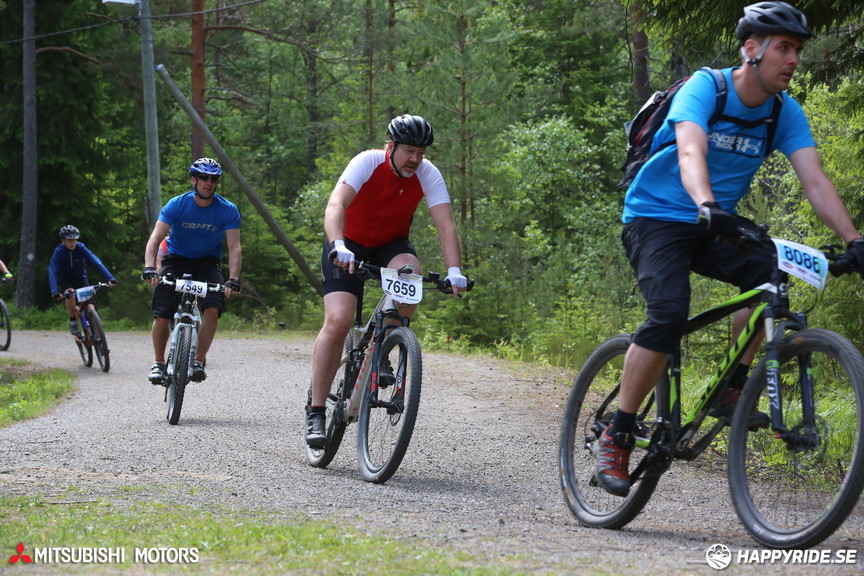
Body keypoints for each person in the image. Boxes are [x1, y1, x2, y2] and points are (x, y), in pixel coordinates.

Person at [595, 1, 864, 498]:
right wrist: (706, 203)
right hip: (656, 216)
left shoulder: (783, 111)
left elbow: (815, 180)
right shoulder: (707, 88)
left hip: (716, 222)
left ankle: (733, 386)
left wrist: (854, 240)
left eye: (798, 50)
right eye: (784, 48)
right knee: (669, 313)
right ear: (751, 48)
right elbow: (690, 150)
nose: (794, 59)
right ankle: (619, 431)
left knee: (771, 277)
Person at [305, 114, 469, 448]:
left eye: (420, 152)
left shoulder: (428, 173)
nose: (415, 159)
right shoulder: (367, 162)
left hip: (390, 246)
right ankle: (317, 410)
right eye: (409, 151)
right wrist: (338, 244)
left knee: (412, 275)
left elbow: (446, 225)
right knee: (339, 320)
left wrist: (454, 270)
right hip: (348, 245)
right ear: (390, 147)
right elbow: (336, 205)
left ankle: (383, 349)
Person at [141, 157, 242, 384]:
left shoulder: (227, 210)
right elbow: (155, 238)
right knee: (162, 313)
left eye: (213, 179)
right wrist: (150, 267)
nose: (209, 183)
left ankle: (198, 361)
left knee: (213, 309)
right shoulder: (177, 204)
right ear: (193, 180)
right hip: (176, 261)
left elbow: (234, 247)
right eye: (204, 178)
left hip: (207, 263)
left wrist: (233, 278)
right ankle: (158, 362)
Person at [48, 225, 117, 335]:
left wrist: (110, 278)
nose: (72, 243)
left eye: (74, 240)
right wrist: (54, 291)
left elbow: (96, 262)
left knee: (90, 306)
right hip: (65, 280)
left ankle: (98, 336)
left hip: (81, 279)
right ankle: (73, 321)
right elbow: (52, 271)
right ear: (63, 241)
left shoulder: (81, 248)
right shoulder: (59, 251)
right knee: (70, 294)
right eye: (69, 240)